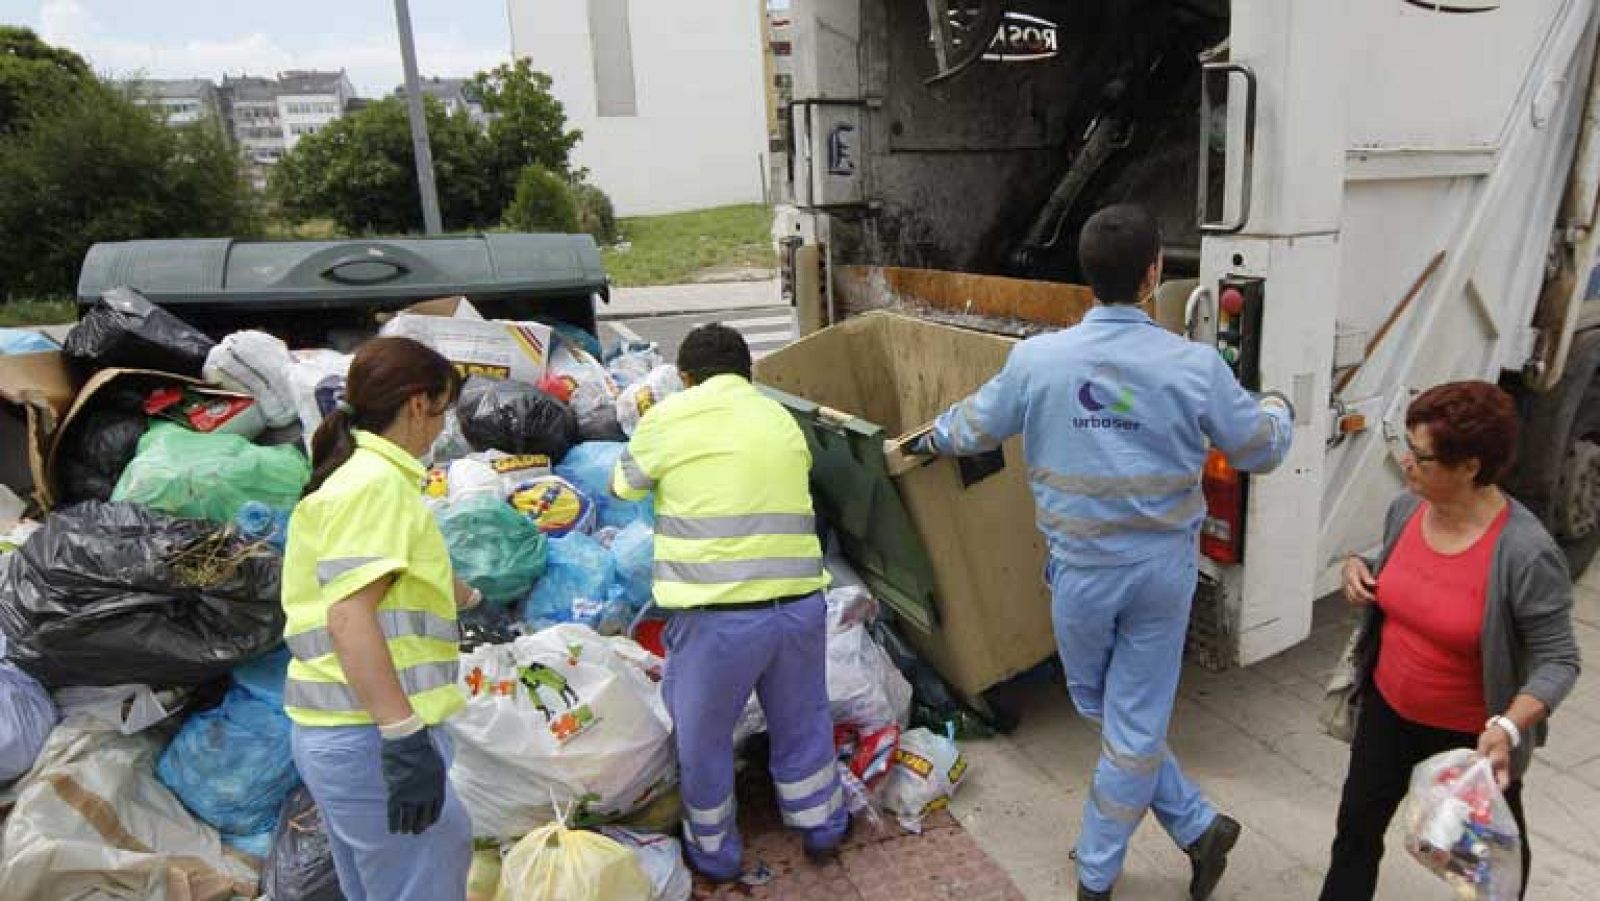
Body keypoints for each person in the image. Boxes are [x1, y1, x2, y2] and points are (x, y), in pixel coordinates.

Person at [911, 204, 1294, 901]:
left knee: (1106, 705)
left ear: (1085, 275)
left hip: (1081, 574)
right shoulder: (1194, 365)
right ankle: (1200, 827)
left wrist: (928, 437)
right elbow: (1259, 447)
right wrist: (1280, 408)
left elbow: (974, 424)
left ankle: (1097, 869)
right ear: (1154, 273)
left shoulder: (1037, 360)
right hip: (1161, 574)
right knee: (1128, 718)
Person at [1320, 381, 1580, 900]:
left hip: (1472, 739)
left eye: (1422, 457)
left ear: (1470, 466)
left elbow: (1559, 659)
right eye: (1408, 449)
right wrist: (1360, 567)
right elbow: (1407, 575)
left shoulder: (1525, 553)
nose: (1407, 464)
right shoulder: (1406, 510)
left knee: (1490, 872)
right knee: (1354, 836)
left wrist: (1507, 726)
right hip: (1387, 714)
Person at [612, 323, 848, 882]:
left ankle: (716, 856)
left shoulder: (669, 416)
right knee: (804, 722)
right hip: (798, 607)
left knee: (704, 741)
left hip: (718, 619)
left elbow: (624, 485)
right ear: (750, 373)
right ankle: (823, 829)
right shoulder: (779, 418)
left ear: (686, 378)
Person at [281, 336, 480, 901]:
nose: (444, 428)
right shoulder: (375, 485)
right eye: (444, 410)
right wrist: (403, 736)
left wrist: (469, 601)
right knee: (427, 874)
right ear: (420, 404)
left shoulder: (356, 477)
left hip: (340, 731)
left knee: (385, 884)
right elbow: (349, 616)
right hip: (370, 734)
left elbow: (391, 577)